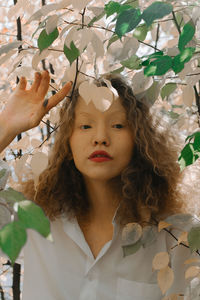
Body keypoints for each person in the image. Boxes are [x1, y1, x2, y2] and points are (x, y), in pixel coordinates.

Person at [0, 70, 198, 299]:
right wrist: (6, 127)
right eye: (85, 126)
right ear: (67, 141)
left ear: (140, 139)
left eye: (118, 125)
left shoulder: (177, 234)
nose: (100, 137)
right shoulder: (32, 217)